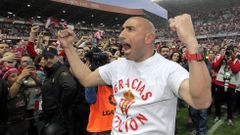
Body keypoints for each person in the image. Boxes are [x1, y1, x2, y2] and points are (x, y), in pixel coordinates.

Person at [58, 14, 212, 135]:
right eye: (123, 28)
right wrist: (68, 47)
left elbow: (201, 102)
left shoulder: (168, 69)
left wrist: (191, 43)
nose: (121, 34)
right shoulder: (117, 66)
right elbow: (86, 79)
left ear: (149, 38)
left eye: (130, 29)